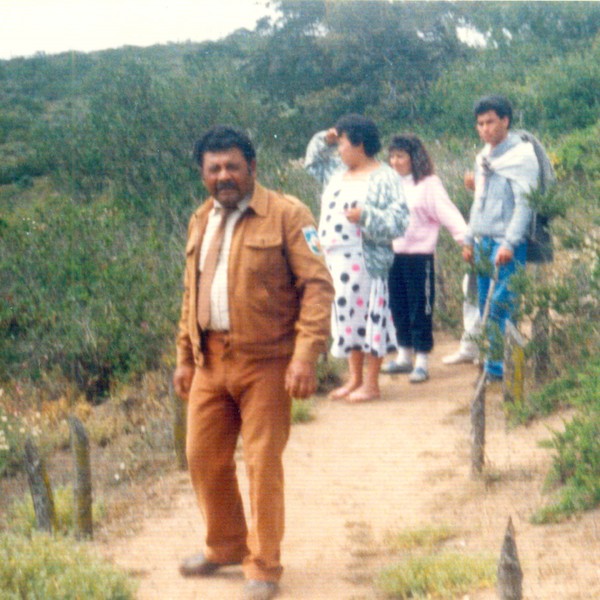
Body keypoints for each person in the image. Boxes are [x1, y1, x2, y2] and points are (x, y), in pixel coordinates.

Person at [173, 125, 334, 600]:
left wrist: (305, 354)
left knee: (262, 463)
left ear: (252, 168)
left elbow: (317, 287)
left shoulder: (287, 214)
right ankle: (224, 544)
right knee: (202, 457)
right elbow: (190, 294)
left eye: (232, 166)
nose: (223, 176)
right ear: (203, 174)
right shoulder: (200, 218)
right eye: (213, 168)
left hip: (267, 363)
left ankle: (263, 564)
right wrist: (184, 356)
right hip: (209, 362)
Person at [309, 114, 409, 403]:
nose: (338, 149)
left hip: (367, 260)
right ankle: (354, 379)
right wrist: (323, 138)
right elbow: (312, 162)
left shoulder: (385, 176)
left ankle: (371, 383)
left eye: (342, 143)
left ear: (359, 143)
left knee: (369, 318)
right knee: (346, 317)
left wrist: (365, 216)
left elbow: (400, 221)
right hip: (334, 259)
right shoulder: (337, 172)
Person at [462, 95, 539, 381]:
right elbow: (479, 200)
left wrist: (509, 243)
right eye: (480, 124)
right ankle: (494, 364)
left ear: (505, 121)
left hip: (506, 243)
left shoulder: (521, 156)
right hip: (483, 241)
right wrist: (469, 239)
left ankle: (502, 369)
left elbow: (525, 204)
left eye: (490, 122)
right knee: (484, 306)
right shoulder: (484, 157)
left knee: (502, 306)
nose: (485, 129)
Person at [381, 135, 468, 383]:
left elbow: (448, 213)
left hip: (420, 257)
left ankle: (421, 362)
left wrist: (465, 241)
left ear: (414, 158)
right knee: (398, 306)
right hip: (393, 254)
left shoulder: (429, 184)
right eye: (393, 156)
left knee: (420, 308)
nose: (395, 161)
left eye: (401, 156)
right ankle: (404, 357)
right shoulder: (389, 184)